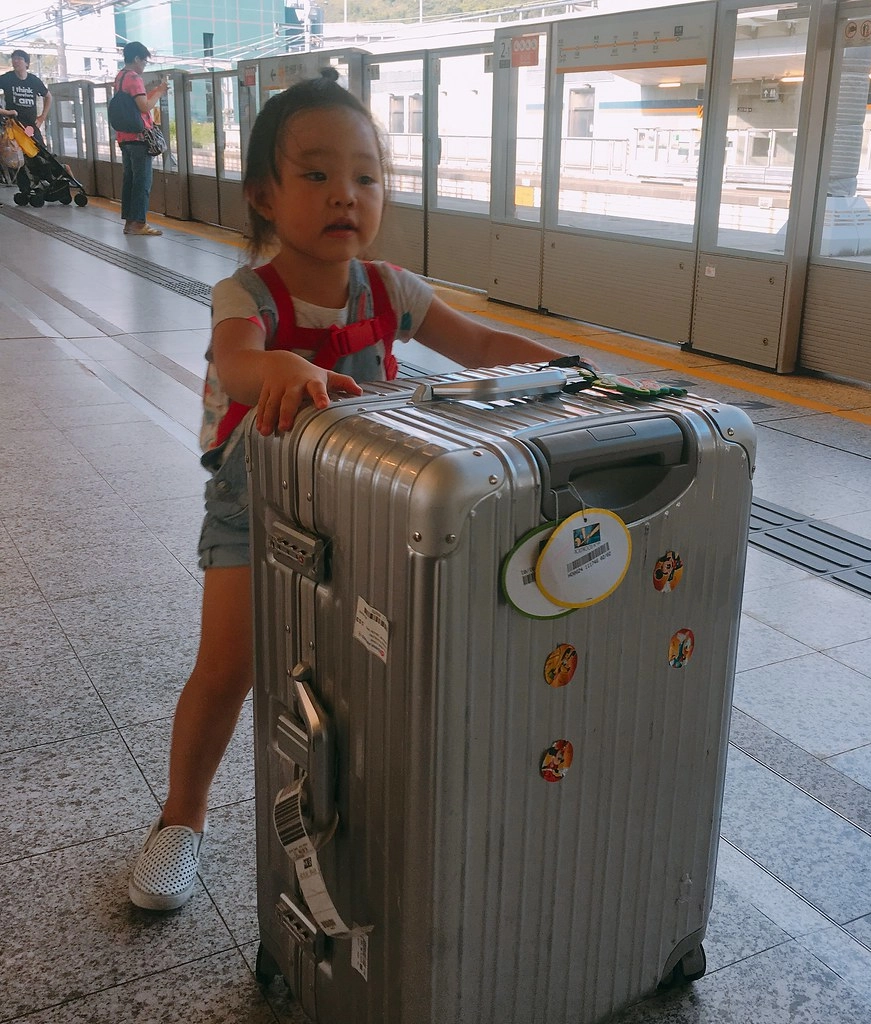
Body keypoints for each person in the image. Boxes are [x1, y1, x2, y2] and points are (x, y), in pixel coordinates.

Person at [128, 68, 574, 910]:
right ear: (262, 195)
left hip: (369, 509)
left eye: (366, 176)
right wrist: (281, 366)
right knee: (228, 668)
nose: (346, 195)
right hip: (257, 505)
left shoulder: (391, 289)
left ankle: (367, 819)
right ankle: (181, 818)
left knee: (367, 671)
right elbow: (237, 361)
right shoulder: (248, 295)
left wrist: (574, 373)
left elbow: (481, 346)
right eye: (316, 174)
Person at [114, 41, 166, 236]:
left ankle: (129, 223)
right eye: (144, 62)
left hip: (124, 137)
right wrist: (159, 92)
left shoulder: (120, 76)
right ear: (136, 59)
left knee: (130, 180)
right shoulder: (134, 77)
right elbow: (144, 107)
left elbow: (135, 103)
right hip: (139, 137)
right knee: (142, 182)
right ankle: (139, 224)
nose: (144, 66)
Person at [0, 49, 50, 139]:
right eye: (14, 59)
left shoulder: (33, 80)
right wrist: (6, 112)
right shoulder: (7, 78)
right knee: (14, 146)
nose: (15, 61)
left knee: (37, 146)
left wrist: (42, 117)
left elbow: (48, 96)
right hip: (13, 125)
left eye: (19, 58)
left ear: (26, 63)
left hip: (30, 126)